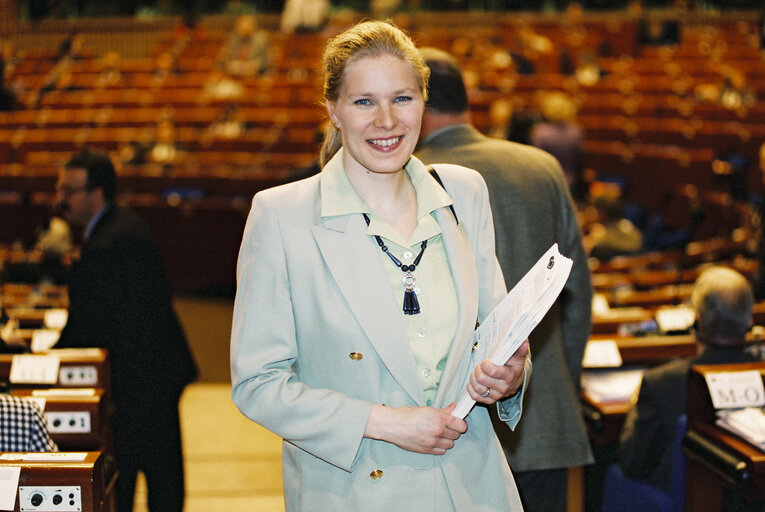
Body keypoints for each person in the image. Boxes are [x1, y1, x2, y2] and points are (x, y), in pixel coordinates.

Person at [230, 20, 531, 512]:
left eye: (403, 99)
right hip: (354, 490)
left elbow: (496, 333)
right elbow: (257, 384)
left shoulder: (465, 193)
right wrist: (386, 422)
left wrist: (510, 375)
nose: (386, 120)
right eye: (363, 101)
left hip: (470, 486)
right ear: (334, 110)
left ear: (424, 102)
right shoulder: (281, 215)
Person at [414, 47, 593, 512]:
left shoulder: (406, 179)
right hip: (543, 416)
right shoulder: (540, 166)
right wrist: (559, 386)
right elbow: (577, 295)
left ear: (416, 100)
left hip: (445, 428)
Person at [54, 149, 197, 512]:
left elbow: (88, 323)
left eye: (69, 191)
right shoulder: (118, 225)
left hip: (143, 373)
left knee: (149, 470)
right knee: (151, 466)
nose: (61, 200)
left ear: (95, 192)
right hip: (148, 366)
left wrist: (42, 356)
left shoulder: (108, 241)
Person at [619, 266, 761, 493]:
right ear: (748, 321)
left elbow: (632, 461)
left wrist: (634, 405)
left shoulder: (661, 384)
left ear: (698, 320)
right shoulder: (759, 376)